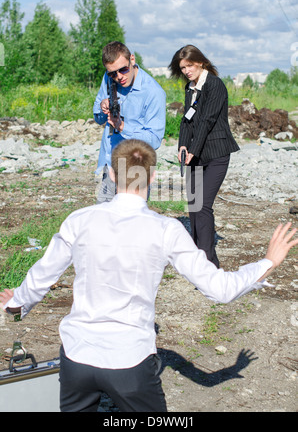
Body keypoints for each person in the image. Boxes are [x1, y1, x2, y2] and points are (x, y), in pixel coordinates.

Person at [0, 139, 297, 413]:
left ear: (111, 175)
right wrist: (266, 263)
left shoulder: (80, 220)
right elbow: (219, 289)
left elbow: (41, 275)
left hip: (76, 360)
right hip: (129, 363)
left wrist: (16, 304)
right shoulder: (166, 230)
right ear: (152, 177)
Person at [169, 45, 240, 268]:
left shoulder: (215, 85)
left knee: (203, 206)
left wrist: (193, 150)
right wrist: (182, 145)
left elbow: (207, 120)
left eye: (189, 65)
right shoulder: (190, 88)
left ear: (200, 62)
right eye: (182, 68)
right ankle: (196, 255)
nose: (186, 71)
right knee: (193, 205)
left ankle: (209, 264)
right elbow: (187, 120)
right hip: (194, 154)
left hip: (216, 153)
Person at [93, 41, 166, 203]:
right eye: (113, 73)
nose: (119, 77)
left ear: (132, 59)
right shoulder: (108, 78)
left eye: (123, 69)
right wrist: (102, 107)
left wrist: (123, 127)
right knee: (105, 219)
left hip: (136, 167)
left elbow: (154, 139)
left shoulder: (154, 93)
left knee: (132, 223)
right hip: (110, 164)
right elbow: (97, 118)